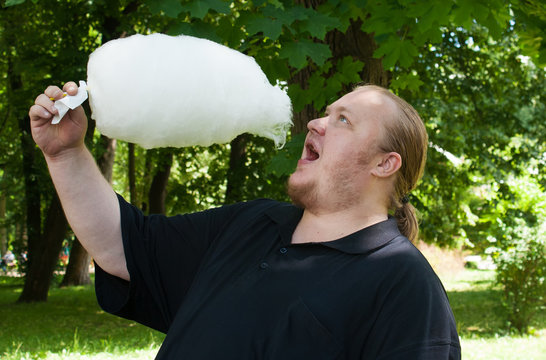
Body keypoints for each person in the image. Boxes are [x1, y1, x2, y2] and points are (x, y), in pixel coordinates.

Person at [29, 82, 461, 359]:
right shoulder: (252, 224)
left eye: (343, 120)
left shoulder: (405, 287)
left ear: (385, 164)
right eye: (326, 112)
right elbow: (124, 247)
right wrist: (65, 153)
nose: (315, 122)